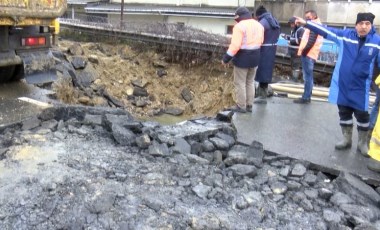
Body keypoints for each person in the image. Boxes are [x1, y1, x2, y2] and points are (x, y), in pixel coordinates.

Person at [294, 12, 380, 158]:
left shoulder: (376, 41)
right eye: (361, 23)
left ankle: (362, 143)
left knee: (362, 116)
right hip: (343, 84)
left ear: (371, 26)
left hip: (361, 87)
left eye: (367, 24)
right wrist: (307, 24)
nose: (364, 27)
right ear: (356, 25)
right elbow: (326, 30)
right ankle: (346, 140)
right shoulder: (345, 35)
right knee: (344, 112)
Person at [222, 7, 264, 113]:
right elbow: (261, 42)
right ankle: (249, 105)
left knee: (240, 83)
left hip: (243, 58)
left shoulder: (239, 26)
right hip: (256, 56)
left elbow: (235, 46)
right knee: (250, 82)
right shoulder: (259, 25)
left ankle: (241, 106)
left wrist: (226, 59)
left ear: (239, 16)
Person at [293, 10, 323, 104]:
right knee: (308, 76)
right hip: (311, 54)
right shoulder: (314, 24)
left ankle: (306, 97)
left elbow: (311, 41)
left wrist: (304, 52)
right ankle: (307, 96)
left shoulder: (315, 25)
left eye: (308, 17)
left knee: (307, 77)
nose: (307, 19)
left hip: (309, 54)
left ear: (314, 16)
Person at [254, 6, 281, 104]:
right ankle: (262, 94)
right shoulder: (274, 21)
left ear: (258, 15)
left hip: (263, 49)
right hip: (272, 49)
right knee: (266, 71)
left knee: (261, 70)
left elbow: (257, 36)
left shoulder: (263, 23)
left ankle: (261, 96)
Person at [284, 17, 305, 82]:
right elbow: (293, 37)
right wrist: (286, 37)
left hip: (297, 51)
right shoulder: (295, 30)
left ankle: (295, 80)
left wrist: (290, 41)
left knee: (296, 65)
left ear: (296, 23)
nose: (291, 25)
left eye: (292, 24)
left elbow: (299, 41)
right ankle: (293, 78)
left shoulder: (301, 30)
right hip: (293, 51)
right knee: (293, 64)